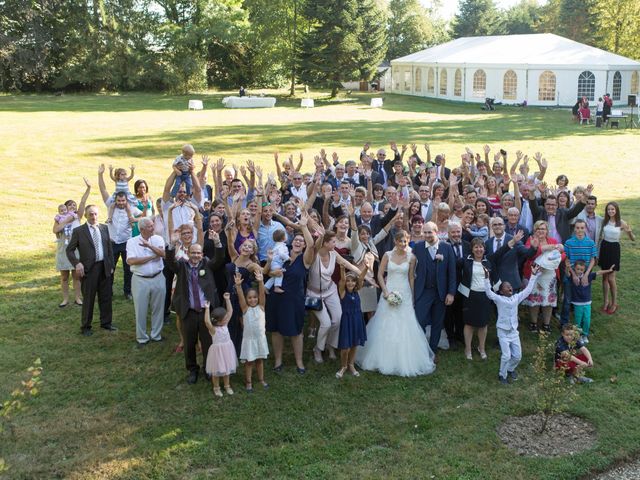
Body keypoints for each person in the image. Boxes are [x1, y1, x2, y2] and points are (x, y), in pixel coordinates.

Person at [356, 231, 436, 376]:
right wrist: (385, 292)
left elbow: (411, 277)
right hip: (389, 290)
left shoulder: (412, 257)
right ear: (395, 242)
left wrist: (411, 297)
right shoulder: (387, 255)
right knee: (385, 322)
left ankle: (405, 358)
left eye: (405, 241)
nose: (403, 244)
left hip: (404, 292)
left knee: (406, 323)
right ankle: (381, 357)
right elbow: (380, 274)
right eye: (400, 241)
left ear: (408, 241)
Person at [165, 236, 226, 384]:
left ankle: (207, 368)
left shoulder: (207, 265)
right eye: (193, 253)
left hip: (205, 312)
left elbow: (219, 258)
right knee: (189, 343)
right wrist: (172, 245)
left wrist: (217, 242)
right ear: (188, 253)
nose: (196, 256)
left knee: (207, 343)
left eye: (198, 253)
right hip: (189, 311)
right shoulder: (181, 266)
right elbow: (170, 262)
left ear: (202, 254)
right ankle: (192, 369)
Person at [266, 211, 315, 374]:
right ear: (292, 241)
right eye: (297, 239)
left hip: (295, 299)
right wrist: (272, 273)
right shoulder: (282, 252)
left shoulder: (306, 259)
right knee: (276, 330)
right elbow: (268, 270)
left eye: (302, 241)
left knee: (296, 331)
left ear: (304, 246)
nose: (299, 242)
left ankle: (299, 362)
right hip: (277, 297)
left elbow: (312, 244)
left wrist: (303, 227)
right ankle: (278, 360)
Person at [484, 264, 541, 384]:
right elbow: (488, 293)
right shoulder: (499, 299)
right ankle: (502, 374)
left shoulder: (516, 298)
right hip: (503, 332)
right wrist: (486, 278)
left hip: (514, 332)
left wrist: (534, 275)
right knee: (506, 355)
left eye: (510, 286)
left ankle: (510, 369)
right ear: (501, 291)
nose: (510, 287)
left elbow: (528, 290)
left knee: (517, 356)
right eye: (506, 287)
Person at [66, 205, 116, 336]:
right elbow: (69, 250)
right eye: (90, 214)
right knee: (89, 299)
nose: (93, 217)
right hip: (89, 269)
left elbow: (109, 248)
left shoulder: (104, 228)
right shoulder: (79, 231)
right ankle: (86, 326)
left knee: (106, 297)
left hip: (104, 267)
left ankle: (106, 323)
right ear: (86, 216)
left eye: (95, 214)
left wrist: (111, 266)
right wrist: (77, 263)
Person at [414, 221, 456, 355]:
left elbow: (452, 272)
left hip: (441, 292)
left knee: (437, 323)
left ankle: (432, 350)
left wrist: (451, 293)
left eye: (429, 232)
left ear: (436, 232)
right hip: (423, 291)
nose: (426, 235)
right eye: (424, 232)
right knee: (419, 320)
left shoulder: (447, 247)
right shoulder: (418, 247)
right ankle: (420, 349)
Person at [126, 217, 166, 345]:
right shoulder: (132, 242)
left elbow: (163, 254)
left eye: (152, 225)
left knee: (158, 308)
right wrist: (151, 257)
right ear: (142, 229)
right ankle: (142, 337)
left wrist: (149, 245)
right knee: (140, 309)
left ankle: (156, 335)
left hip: (158, 277)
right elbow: (131, 261)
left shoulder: (158, 238)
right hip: (140, 280)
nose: (153, 228)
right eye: (150, 226)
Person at [522, 220, 565, 333]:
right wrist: (545, 248)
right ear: (535, 230)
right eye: (538, 229)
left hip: (549, 276)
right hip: (535, 275)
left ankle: (546, 324)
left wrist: (555, 261)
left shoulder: (553, 241)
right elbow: (529, 256)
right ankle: (533, 323)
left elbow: (562, 254)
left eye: (543, 229)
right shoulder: (531, 241)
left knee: (548, 300)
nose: (541, 231)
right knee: (535, 300)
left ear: (547, 231)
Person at [53, 179, 91, 307]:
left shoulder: (78, 217)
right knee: (64, 276)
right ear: (65, 208)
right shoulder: (60, 218)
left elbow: (83, 201)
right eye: (70, 205)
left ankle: (78, 298)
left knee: (76, 275)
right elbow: (55, 230)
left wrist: (88, 188)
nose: (73, 207)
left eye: (74, 205)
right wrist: (67, 220)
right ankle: (65, 299)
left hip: (76, 250)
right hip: (63, 249)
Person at [234, 271, 269, 393]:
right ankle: (248, 382)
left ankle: (261, 379)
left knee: (259, 360)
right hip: (249, 340)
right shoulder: (245, 309)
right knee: (249, 362)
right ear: (247, 299)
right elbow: (240, 298)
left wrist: (260, 281)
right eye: (250, 298)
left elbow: (262, 294)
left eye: (255, 297)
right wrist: (238, 286)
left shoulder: (261, 307)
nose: (253, 299)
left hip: (260, 339)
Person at [598, 201, 635, 314]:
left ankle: (614, 303)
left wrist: (629, 232)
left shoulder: (621, 223)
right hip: (604, 247)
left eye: (613, 209)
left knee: (611, 278)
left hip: (614, 249)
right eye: (609, 209)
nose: (610, 211)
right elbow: (600, 236)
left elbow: (633, 239)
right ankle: (606, 301)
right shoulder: (604, 221)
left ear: (616, 210)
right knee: (604, 277)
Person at [566, 259, 614, 344]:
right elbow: (567, 274)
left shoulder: (588, 276)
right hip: (577, 303)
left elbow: (599, 272)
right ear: (574, 269)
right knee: (578, 320)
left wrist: (609, 270)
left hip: (587, 302)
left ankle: (585, 335)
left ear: (584, 270)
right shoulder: (572, 278)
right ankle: (578, 336)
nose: (579, 271)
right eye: (577, 269)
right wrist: (568, 267)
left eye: (581, 269)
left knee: (587, 319)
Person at [562, 220, 597, 326]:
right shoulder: (569, 243)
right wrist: (573, 274)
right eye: (577, 228)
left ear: (585, 228)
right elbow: (566, 259)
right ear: (574, 229)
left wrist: (586, 274)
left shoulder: (591, 243)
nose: (580, 230)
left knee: (583, 296)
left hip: (584, 274)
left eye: (582, 228)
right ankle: (564, 322)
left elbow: (593, 259)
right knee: (567, 299)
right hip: (570, 274)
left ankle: (582, 321)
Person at [336, 264, 368, 379]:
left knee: (355, 343)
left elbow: (361, 278)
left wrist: (367, 268)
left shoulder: (356, 291)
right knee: (345, 348)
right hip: (347, 321)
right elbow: (342, 280)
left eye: (352, 281)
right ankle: (343, 366)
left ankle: (351, 364)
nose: (350, 283)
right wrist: (342, 270)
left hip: (357, 319)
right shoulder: (343, 292)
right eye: (348, 281)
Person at [203, 296, 237, 397]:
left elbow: (230, 311)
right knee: (216, 371)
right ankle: (216, 387)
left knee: (227, 369)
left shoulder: (225, 325)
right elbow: (207, 322)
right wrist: (207, 309)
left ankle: (227, 385)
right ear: (218, 321)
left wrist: (227, 300)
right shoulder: (213, 330)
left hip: (227, 350)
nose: (227, 318)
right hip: (217, 353)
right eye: (225, 318)